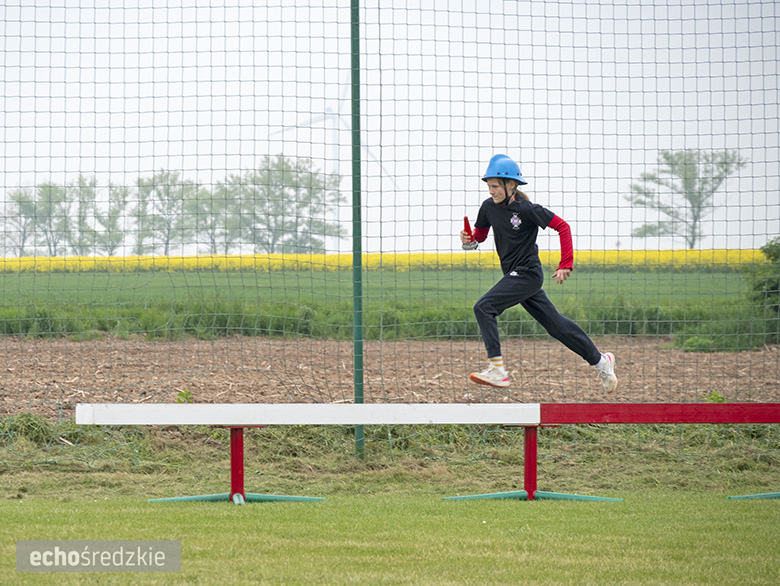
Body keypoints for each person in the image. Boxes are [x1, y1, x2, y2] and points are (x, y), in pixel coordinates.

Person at [460, 154, 617, 392]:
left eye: (495, 186)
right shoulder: (488, 208)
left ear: (510, 184)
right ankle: (601, 362)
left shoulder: (527, 209)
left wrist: (566, 263)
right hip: (515, 276)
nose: (491, 191)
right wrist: (469, 240)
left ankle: (497, 370)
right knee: (555, 326)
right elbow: (479, 236)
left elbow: (562, 226)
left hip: (528, 274)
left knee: (483, 307)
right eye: (489, 186)